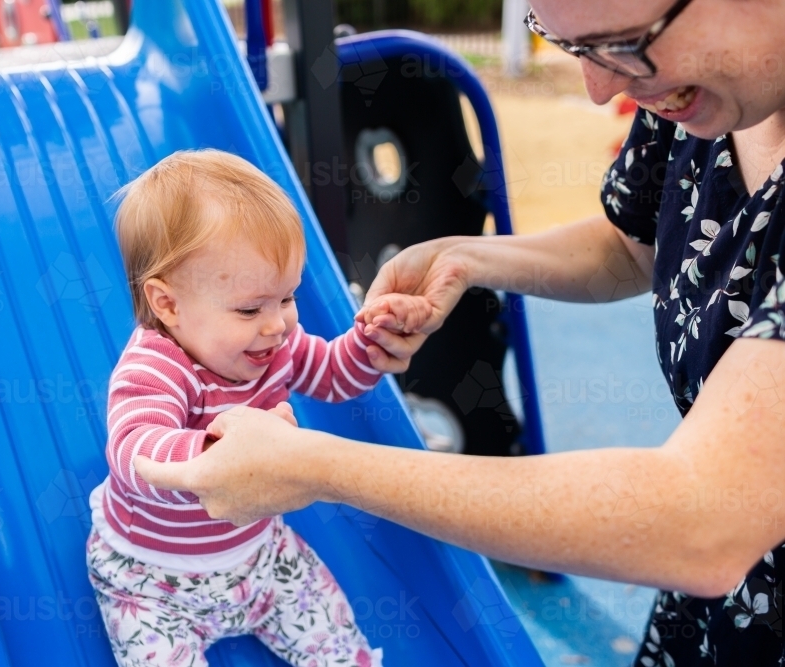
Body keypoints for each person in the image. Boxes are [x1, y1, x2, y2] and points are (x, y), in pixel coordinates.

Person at [135, 0, 785, 663]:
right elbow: (635, 244)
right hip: (719, 617)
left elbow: (706, 519)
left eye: (622, 44)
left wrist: (311, 464)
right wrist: (467, 259)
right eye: (574, 48)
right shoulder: (693, 91)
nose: (600, 89)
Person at [87, 150, 428, 666]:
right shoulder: (156, 366)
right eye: (250, 308)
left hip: (260, 560)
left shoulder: (272, 344)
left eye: (287, 298)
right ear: (168, 304)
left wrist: (371, 346)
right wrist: (217, 450)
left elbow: (334, 374)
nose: (277, 324)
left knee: (336, 642)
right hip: (153, 583)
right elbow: (133, 450)